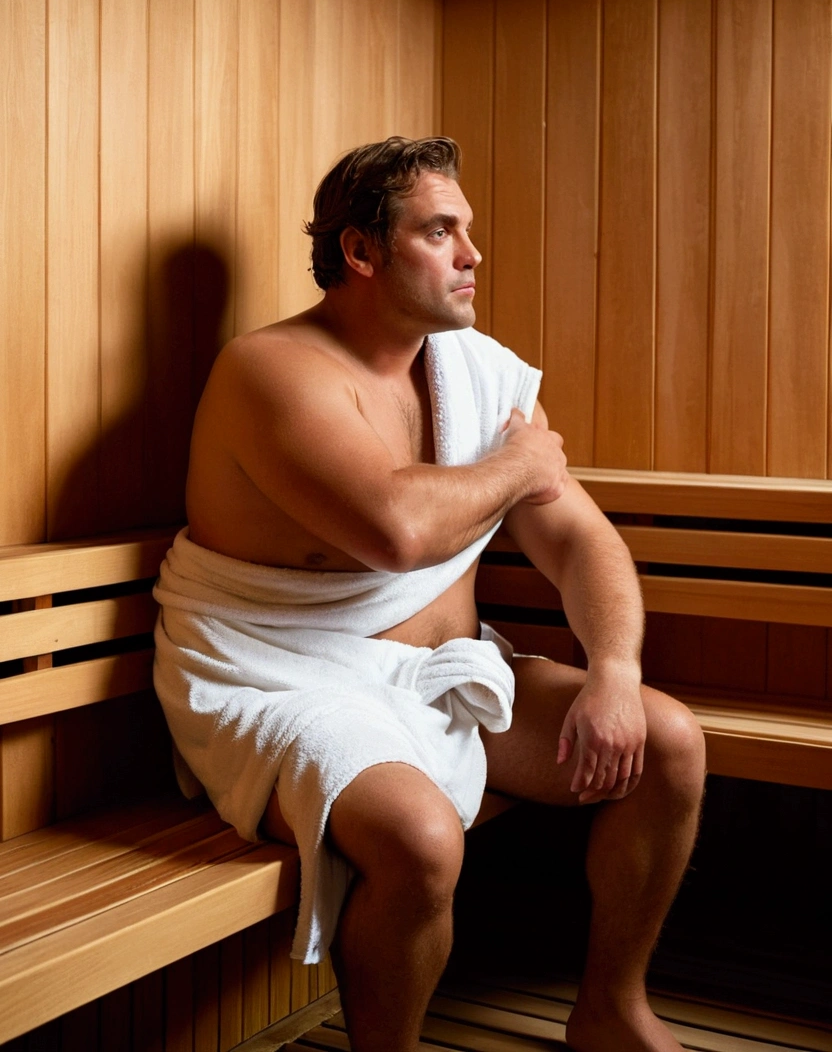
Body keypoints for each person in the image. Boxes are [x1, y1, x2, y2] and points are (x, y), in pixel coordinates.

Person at [154, 136, 706, 1052]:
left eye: (468, 230)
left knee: (669, 743)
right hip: (283, 681)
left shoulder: (472, 371)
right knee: (420, 839)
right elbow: (395, 531)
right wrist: (522, 459)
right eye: (440, 231)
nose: (471, 254)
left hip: (440, 676)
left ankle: (613, 1009)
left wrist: (613, 668)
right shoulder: (271, 371)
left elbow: (579, 539)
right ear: (362, 253)